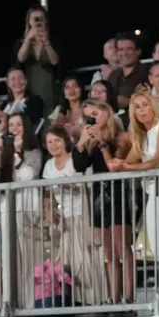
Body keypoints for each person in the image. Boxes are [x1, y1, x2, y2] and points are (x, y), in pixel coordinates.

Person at [115, 88, 159, 299]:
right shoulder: (141, 136)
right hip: (152, 190)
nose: (142, 110)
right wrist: (109, 152)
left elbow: (158, 162)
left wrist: (126, 168)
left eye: (145, 105)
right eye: (137, 107)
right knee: (156, 243)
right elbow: (124, 163)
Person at [73, 98, 134, 304]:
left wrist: (102, 143)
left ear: (107, 113)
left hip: (117, 194)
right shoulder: (92, 140)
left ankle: (129, 296)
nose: (93, 118)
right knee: (108, 252)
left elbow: (113, 165)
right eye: (89, 116)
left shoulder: (121, 137)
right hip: (99, 196)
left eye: (96, 114)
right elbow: (79, 165)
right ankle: (113, 297)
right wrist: (82, 141)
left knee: (122, 247)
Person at [0, 112, 45, 308]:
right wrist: (0, 153)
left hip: (26, 208)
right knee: (8, 258)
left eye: (19, 124)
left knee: (28, 256)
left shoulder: (33, 150)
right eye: (11, 125)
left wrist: (18, 154)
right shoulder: (5, 154)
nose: (15, 128)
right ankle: (10, 301)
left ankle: (31, 303)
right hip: (5, 209)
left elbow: (29, 176)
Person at [40, 125, 100, 307]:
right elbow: (48, 192)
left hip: (82, 214)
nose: (53, 145)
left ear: (65, 141)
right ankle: (74, 300)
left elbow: (87, 186)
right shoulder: (49, 165)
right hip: (65, 218)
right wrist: (50, 211)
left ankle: (94, 300)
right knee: (68, 261)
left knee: (86, 259)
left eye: (56, 140)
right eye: (49, 142)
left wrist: (71, 187)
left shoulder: (76, 158)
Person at [14, 7, 60, 112]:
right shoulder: (21, 42)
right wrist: (28, 40)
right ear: (29, 21)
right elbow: (20, 59)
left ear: (46, 21)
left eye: (41, 18)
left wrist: (46, 42)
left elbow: (56, 62)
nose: (38, 22)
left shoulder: (53, 40)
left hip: (48, 84)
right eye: (35, 19)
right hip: (29, 83)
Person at [107, 36, 150, 109]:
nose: (125, 53)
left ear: (138, 51)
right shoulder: (113, 75)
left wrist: (129, 102)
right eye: (121, 49)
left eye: (129, 49)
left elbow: (156, 100)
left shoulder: (148, 72)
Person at [48, 76, 88, 142]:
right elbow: (52, 132)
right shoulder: (59, 110)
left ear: (81, 89)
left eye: (75, 86)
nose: (71, 90)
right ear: (64, 93)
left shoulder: (88, 108)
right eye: (67, 87)